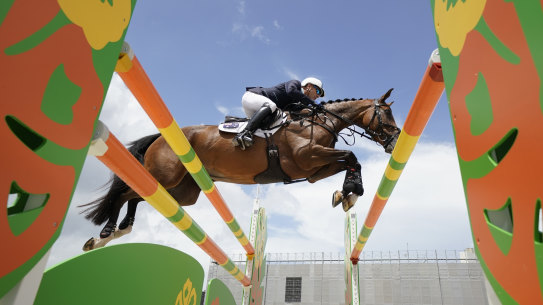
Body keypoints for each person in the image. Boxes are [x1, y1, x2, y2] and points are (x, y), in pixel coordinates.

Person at [232, 77, 325, 150]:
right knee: (272, 106)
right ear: (309, 86)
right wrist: (313, 103)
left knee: (272, 124)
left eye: (319, 95)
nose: (318, 96)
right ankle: (243, 134)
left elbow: (293, 113)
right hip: (252, 97)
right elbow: (291, 91)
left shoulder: (298, 102)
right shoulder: (296, 83)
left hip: (257, 111)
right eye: (317, 91)